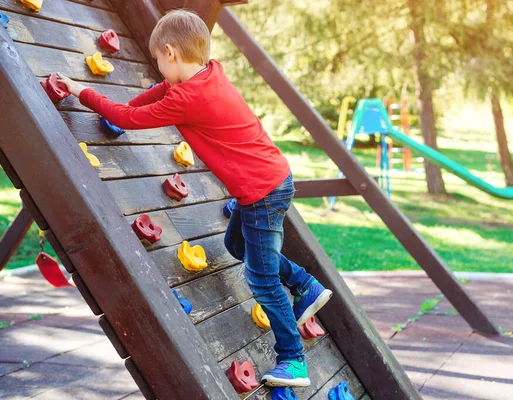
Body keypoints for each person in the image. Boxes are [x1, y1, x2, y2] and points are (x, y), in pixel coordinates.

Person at [57, 9, 332, 388]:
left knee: (262, 278)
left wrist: (79, 90)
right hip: (270, 182)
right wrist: (123, 113)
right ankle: (305, 284)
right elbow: (144, 103)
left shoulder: (189, 98)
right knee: (237, 244)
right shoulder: (207, 75)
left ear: (169, 52)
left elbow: (133, 118)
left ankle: (293, 359)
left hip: (261, 194)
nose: (158, 66)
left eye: (157, 59)